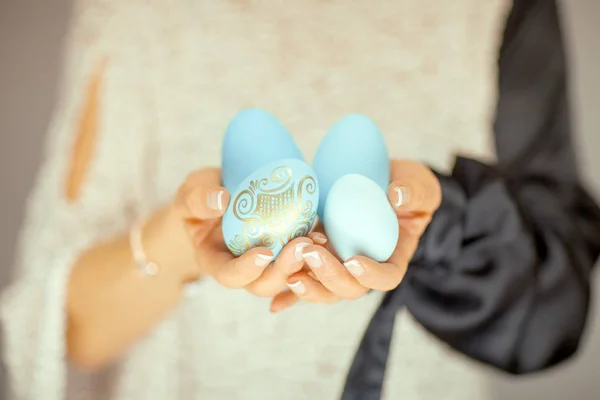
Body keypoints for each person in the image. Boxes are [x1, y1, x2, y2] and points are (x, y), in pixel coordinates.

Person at [2, 0, 600, 399]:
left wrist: (442, 219)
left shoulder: (492, 9)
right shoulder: (137, 15)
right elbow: (59, 326)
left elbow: (556, 304)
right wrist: (186, 242)